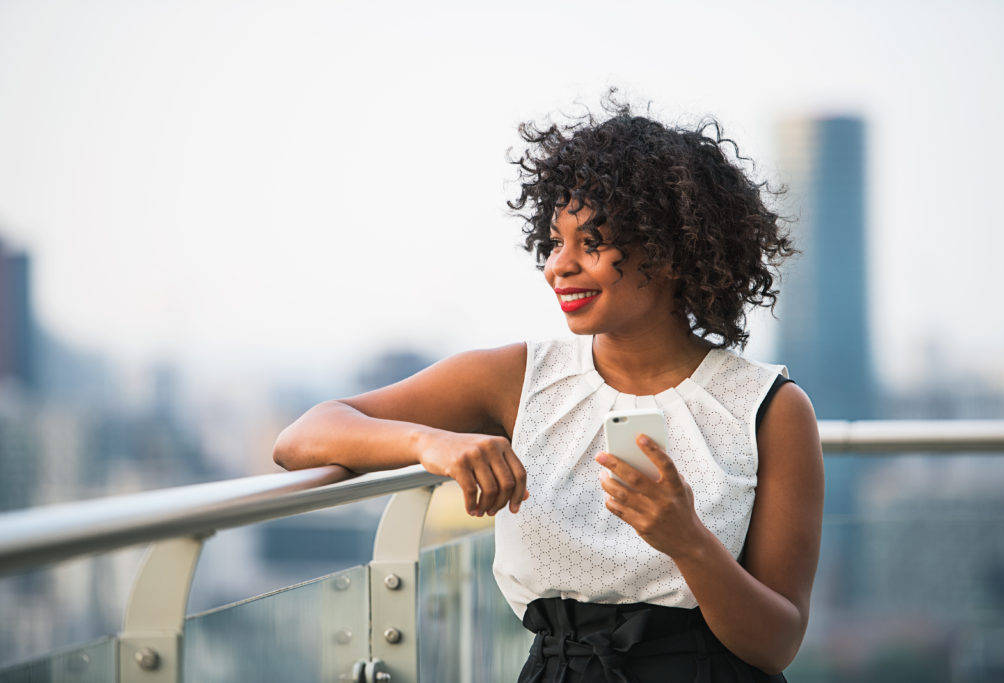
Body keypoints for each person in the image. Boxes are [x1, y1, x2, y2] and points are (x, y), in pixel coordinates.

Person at [273, 94, 824, 682]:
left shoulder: (770, 409)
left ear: (669, 254)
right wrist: (430, 445)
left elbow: (777, 643)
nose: (559, 266)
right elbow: (302, 438)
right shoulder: (519, 378)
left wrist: (687, 541)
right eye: (555, 242)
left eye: (591, 243)